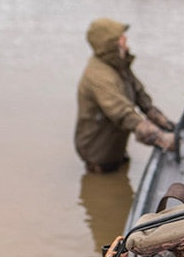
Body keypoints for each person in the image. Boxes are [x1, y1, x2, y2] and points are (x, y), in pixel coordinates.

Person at [75, 17, 176, 173]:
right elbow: (122, 112)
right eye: (121, 37)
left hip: (115, 143)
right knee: (105, 189)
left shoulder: (117, 63)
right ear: (109, 43)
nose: (126, 39)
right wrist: (161, 138)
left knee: (120, 169)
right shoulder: (99, 77)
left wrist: (163, 122)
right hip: (98, 150)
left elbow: (139, 94)